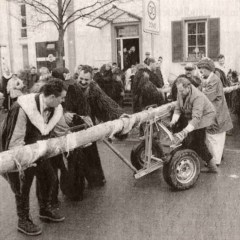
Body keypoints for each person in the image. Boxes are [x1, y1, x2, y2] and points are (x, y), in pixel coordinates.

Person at [1, 79, 67, 236]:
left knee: (49, 178)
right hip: (18, 149)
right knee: (23, 186)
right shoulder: (22, 108)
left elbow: (58, 129)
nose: (63, 100)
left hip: (38, 149)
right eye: (62, 98)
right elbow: (14, 141)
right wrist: (23, 163)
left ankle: (44, 210)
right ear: (51, 97)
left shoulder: (54, 107)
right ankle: (23, 220)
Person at [64, 65, 124, 188]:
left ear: (91, 79)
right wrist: (65, 113)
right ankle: (75, 187)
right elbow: (61, 104)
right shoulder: (71, 88)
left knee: (91, 153)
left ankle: (96, 179)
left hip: (88, 125)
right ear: (77, 76)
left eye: (86, 80)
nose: (83, 82)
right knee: (75, 156)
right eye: (81, 78)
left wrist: (121, 115)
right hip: (72, 127)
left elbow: (106, 103)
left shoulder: (94, 89)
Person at [169, 77, 216, 172]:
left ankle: (212, 167)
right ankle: (192, 157)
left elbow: (196, 118)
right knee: (191, 139)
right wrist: (173, 121)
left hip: (204, 116)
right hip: (192, 115)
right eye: (178, 90)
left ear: (188, 87)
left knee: (199, 142)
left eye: (181, 91)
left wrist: (185, 131)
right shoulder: (181, 92)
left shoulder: (197, 96)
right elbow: (178, 108)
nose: (179, 93)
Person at [197, 58, 233, 168]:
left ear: (208, 68)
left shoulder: (214, 80)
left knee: (214, 138)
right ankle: (215, 159)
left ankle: (215, 162)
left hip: (217, 114)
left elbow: (208, 97)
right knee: (213, 138)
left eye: (202, 69)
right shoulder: (209, 78)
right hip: (215, 113)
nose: (200, 71)